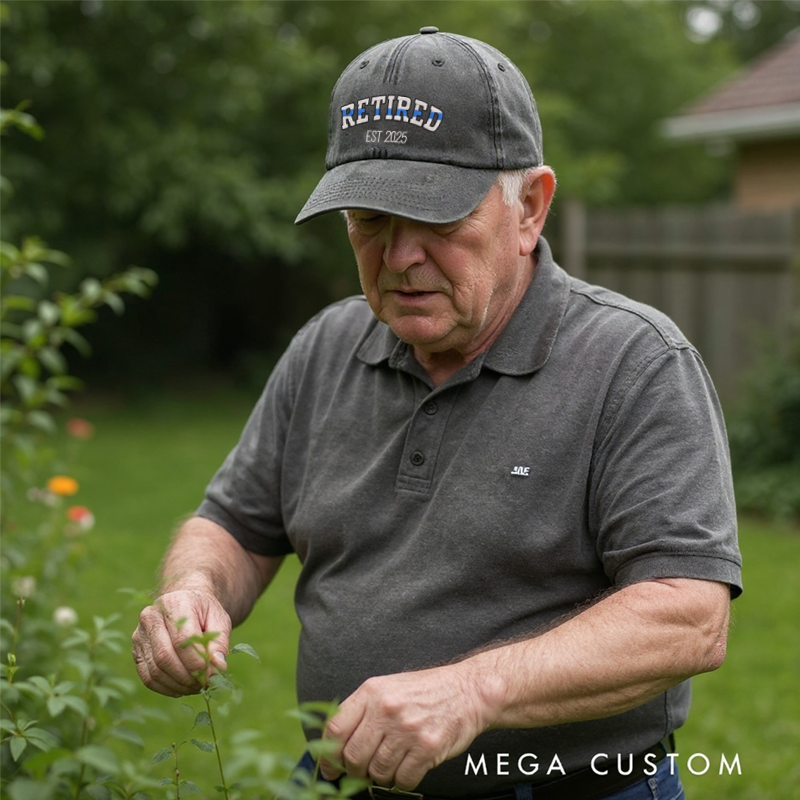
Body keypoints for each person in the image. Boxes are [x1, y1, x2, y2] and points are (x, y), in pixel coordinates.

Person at [132, 28, 742, 800]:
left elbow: (688, 616)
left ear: (530, 207)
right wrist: (194, 593)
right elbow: (234, 524)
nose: (399, 259)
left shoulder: (635, 362)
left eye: (438, 220)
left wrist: (472, 692)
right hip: (337, 780)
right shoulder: (326, 348)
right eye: (369, 220)